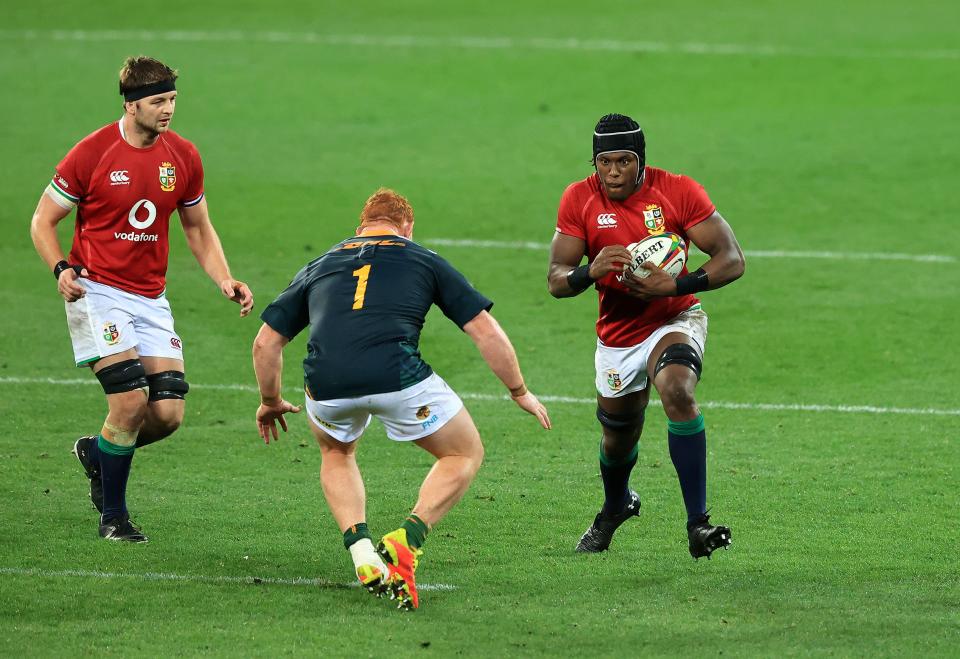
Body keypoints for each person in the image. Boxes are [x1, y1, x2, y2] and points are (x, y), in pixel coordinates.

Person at [252, 188, 550, 609]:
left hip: (327, 386)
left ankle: (361, 551)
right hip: (398, 379)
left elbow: (266, 343)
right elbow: (484, 330)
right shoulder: (423, 258)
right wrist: (518, 390)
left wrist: (269, 400)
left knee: (337, 452)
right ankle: (408, 538)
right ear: (407, 229)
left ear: (359, 229)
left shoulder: (320, 264)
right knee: (463, 453)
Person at [29, 56, 254, 543]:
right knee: (130, 401)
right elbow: (42, 221)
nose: (169, 109)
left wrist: (224, 278)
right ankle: (114, 516)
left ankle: (97, 452)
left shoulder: (183, 157)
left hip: (150, 297)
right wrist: (60, 269)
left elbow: (197, 227)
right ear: (132, 106)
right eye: (158, 101)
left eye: (172, 99)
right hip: (96, 289)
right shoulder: (92, 153)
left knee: (168, 414)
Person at [547, 113, 745, 559]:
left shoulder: (678, 191)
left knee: (678, 390)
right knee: (618, 439)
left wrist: (674, 286)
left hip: (674, 319)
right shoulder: (579, 198)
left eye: (624, 161)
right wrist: (588, 271)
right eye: (605, 162)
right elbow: (556, 280)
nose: (613, 172)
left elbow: (731, 258)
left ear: (641, 160)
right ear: (594, 162)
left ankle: (698, 523)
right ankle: (616, 505)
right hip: (618, 337)